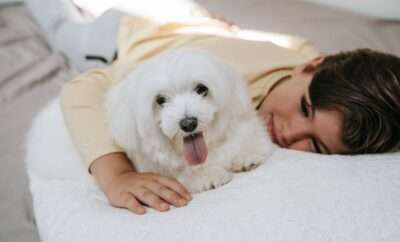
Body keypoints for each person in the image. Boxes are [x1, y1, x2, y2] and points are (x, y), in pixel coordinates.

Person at [26, 0, 400, 215]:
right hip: (122, 38)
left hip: (185, 22)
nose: (288, 131)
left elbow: (298, 46)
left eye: (315, 145)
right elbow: (83, 88)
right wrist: (116, 175)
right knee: (63, 25)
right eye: (304, 108)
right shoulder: (219, 77)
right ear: (313, 64)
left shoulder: (300, 59)